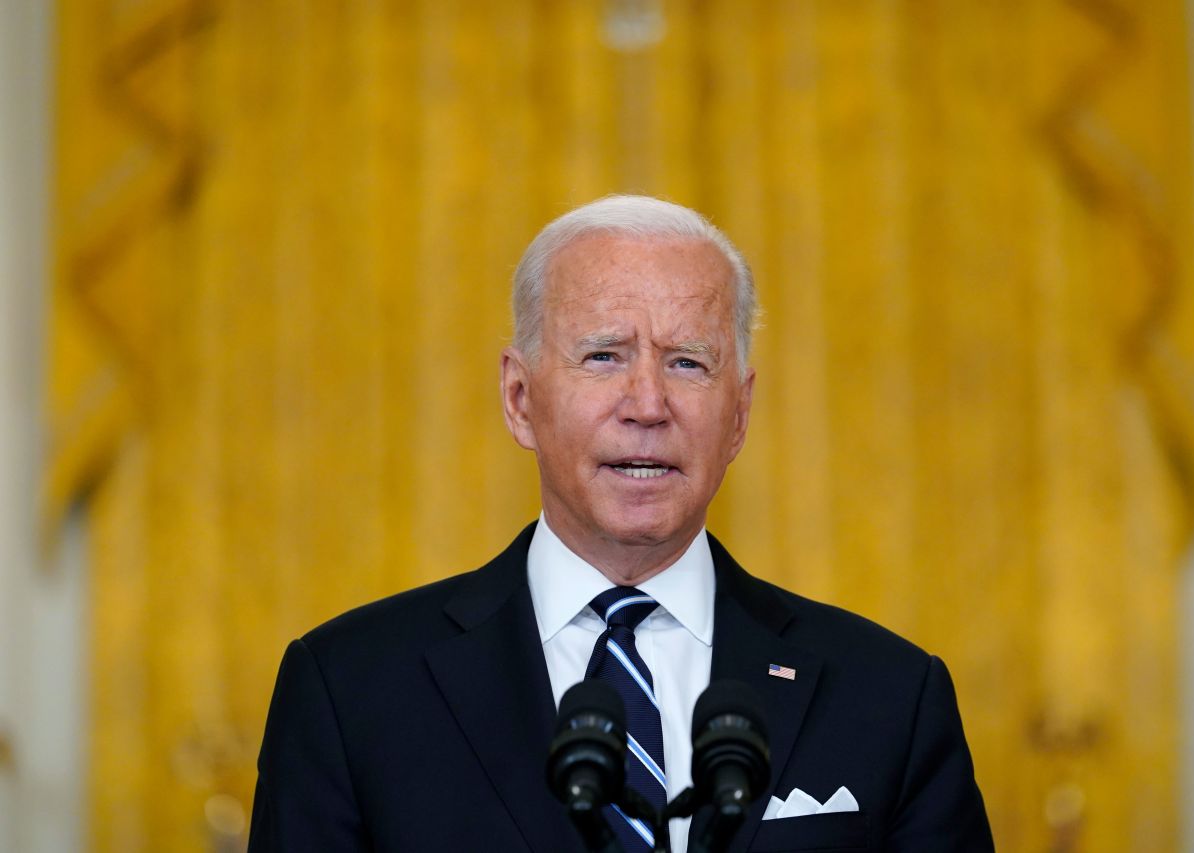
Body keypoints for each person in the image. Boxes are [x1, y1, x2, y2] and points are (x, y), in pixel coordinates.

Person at [247, 196, 994, 852]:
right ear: (518, 398)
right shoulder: (350, 689)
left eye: (689, 364)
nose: (646, 404)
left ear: (739, 413)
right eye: (603, 356)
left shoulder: (889, 694)